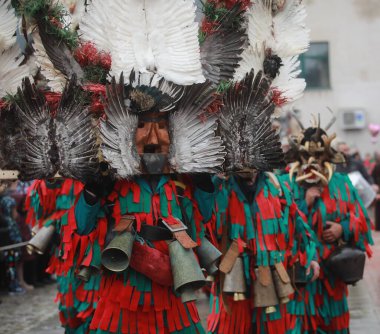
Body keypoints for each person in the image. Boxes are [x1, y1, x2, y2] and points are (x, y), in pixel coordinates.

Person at [284, 119, 373, 333]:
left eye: (318, 155)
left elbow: (362, 220)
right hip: (302, 273)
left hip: (335, 271)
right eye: (307, 155)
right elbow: (280, 225)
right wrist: (305, 204)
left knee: (335, 324)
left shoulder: (342, 183)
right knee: (302, 323)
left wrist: (343, 228)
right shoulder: (286, 184)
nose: (313, 161)